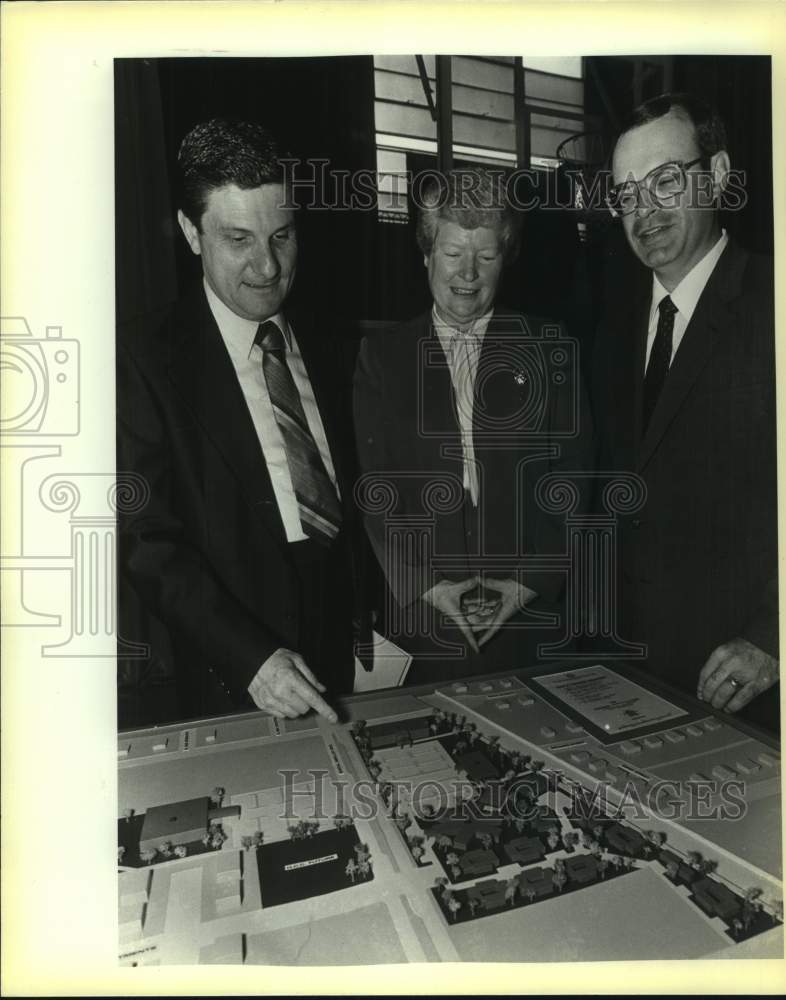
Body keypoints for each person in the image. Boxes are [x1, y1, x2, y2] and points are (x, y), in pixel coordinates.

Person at [117, 119, 359, 722]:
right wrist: (249, 658)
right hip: (230, 671)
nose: (268, 266)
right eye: (238, 239)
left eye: (282, 235)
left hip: (344, 652)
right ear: (190, 233)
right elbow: (144, 538)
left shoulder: (334, 340)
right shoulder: (143, 356)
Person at [354, 169, 593, 684]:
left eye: (485, 256)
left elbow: (573, 480)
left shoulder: (550, 346)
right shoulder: (382, 356)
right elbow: (375, 488)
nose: (468, 273)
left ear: (505, 259)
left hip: (534, 625)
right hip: (426, 626)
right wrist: (427, 586)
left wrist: (529, 583)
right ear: (425, 255)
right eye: (452, 253)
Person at [593, 93, 778, 728]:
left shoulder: (772, 307)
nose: (643, 210)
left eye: (665, 180)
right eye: (626, 194)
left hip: (743, 690)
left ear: (719, 175)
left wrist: (772, 640)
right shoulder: (608, 325)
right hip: (627, 683)